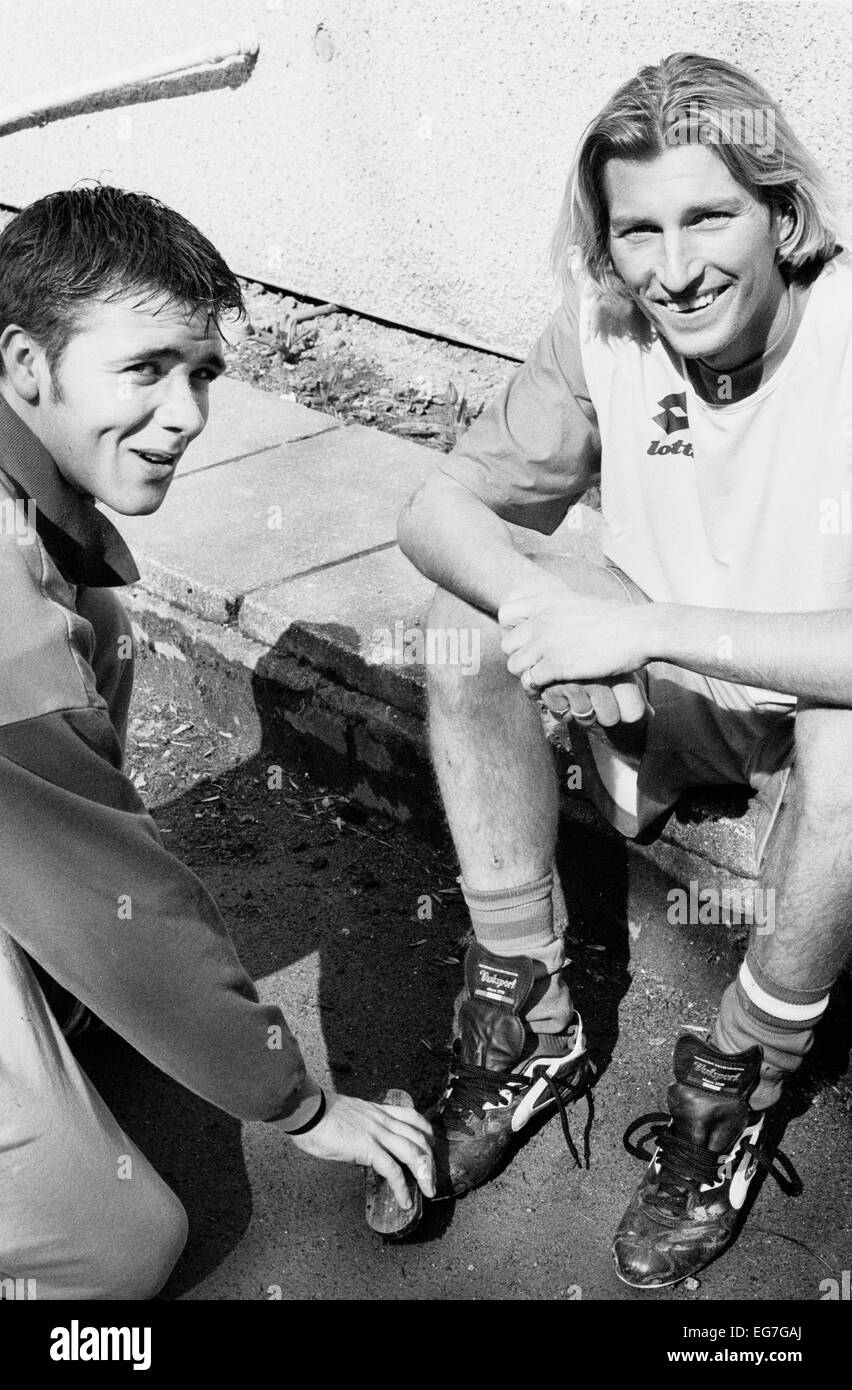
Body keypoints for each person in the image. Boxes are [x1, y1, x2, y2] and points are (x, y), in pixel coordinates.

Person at [397, 51, 849, 1288]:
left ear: (784, 212)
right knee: (460, 615)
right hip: (673, 703)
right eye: (636, 229)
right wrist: (553, 600)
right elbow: (436, 508)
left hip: (811, 693)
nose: (674, 266)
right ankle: (526, 1007)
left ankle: (739, 1079)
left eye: (709, 216)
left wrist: (642, 630)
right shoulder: (604, 329)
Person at [0, 185, 434, 1300]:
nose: (189, 410)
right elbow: (111, 892)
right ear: (23, 363)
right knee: (113, 1250)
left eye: (202, 372)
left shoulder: (35, 520)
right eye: (145, 369)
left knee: (97, 618)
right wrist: (300, 1101)